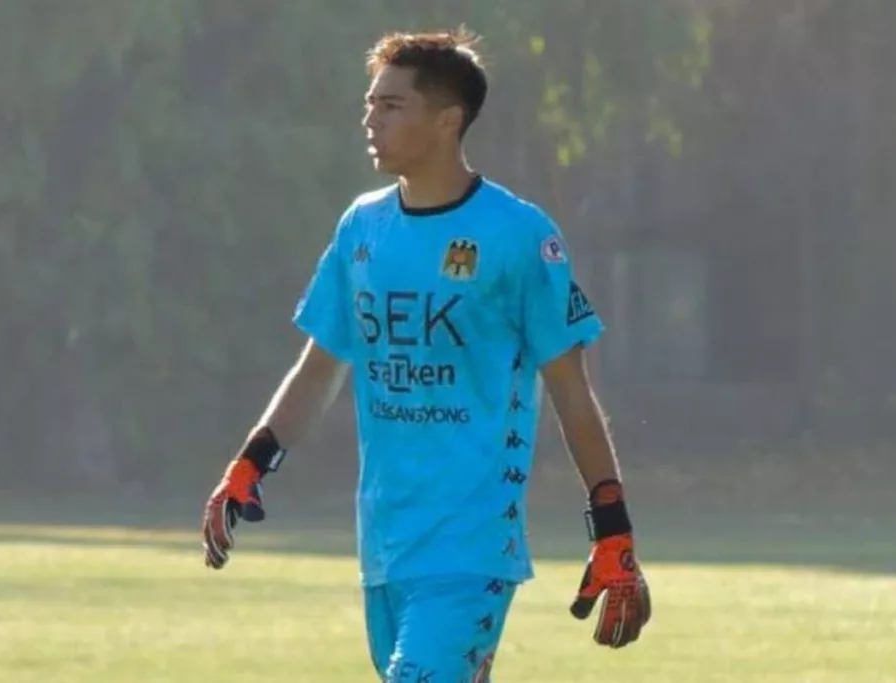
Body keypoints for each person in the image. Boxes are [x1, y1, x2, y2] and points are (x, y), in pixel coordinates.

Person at [201, 27, 651, 682]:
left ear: (447, 120)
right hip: (384, 545)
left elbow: (573, 392)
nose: (370, 118)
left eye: (391, 105)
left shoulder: (519, 235)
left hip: (471, 549)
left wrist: (612, 527)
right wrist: (249, 465)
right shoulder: (362, 226)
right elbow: (319, 368)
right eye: (370, 102)